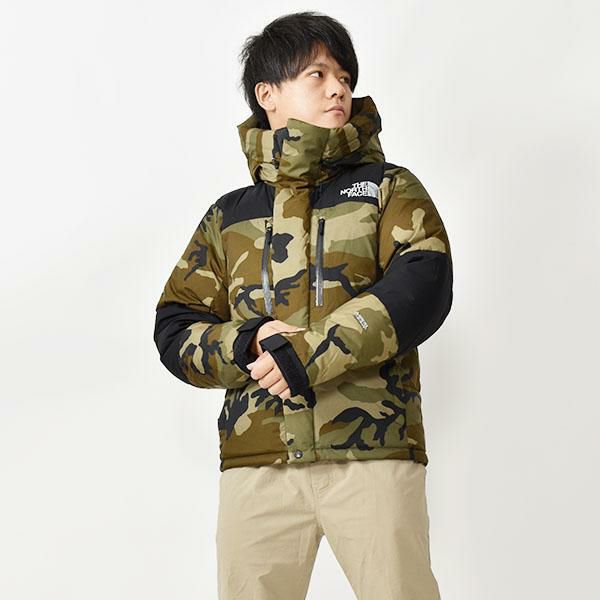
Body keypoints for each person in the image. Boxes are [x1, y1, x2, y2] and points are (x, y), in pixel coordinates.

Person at [153, 10, 453, 600]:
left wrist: (308, 353)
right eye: (317, 74)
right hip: (258, 464)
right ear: (268, 94)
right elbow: (175, 327)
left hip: (373, 453)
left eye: (345, 76)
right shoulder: (228, 217)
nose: (338, 88)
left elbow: (424, 284)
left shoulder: (387, 188)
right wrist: (247, 343)